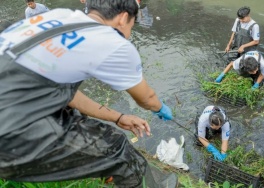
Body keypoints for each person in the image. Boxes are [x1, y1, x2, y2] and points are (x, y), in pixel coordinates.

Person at [0, 0, 177, 187]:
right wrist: (160, 108)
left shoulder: (58, 17)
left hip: (14, 104)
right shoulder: (111, 40)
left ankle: (101, 166)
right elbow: (147, 98)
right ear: (124, 18)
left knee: (74, 117)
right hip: (10, 134)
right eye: (132, 26)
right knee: (118, 151)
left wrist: (118, 117)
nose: (129, 33)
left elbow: (65, 94)